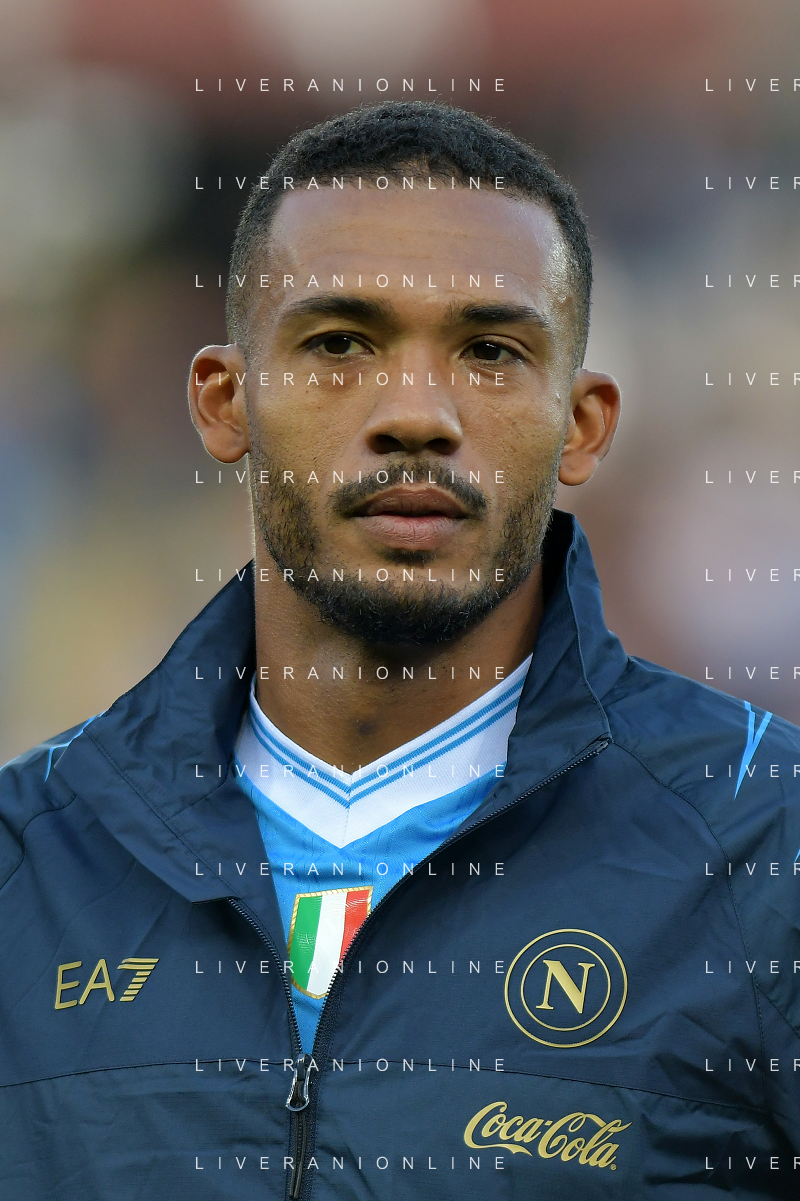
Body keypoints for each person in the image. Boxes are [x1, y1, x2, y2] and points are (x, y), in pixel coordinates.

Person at [1, 101, 797, 1200]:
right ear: (225, 402)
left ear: (582, 425)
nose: (416, 413)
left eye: (490, 351)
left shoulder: (767, 850)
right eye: (339, 344)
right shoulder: (28, 863)